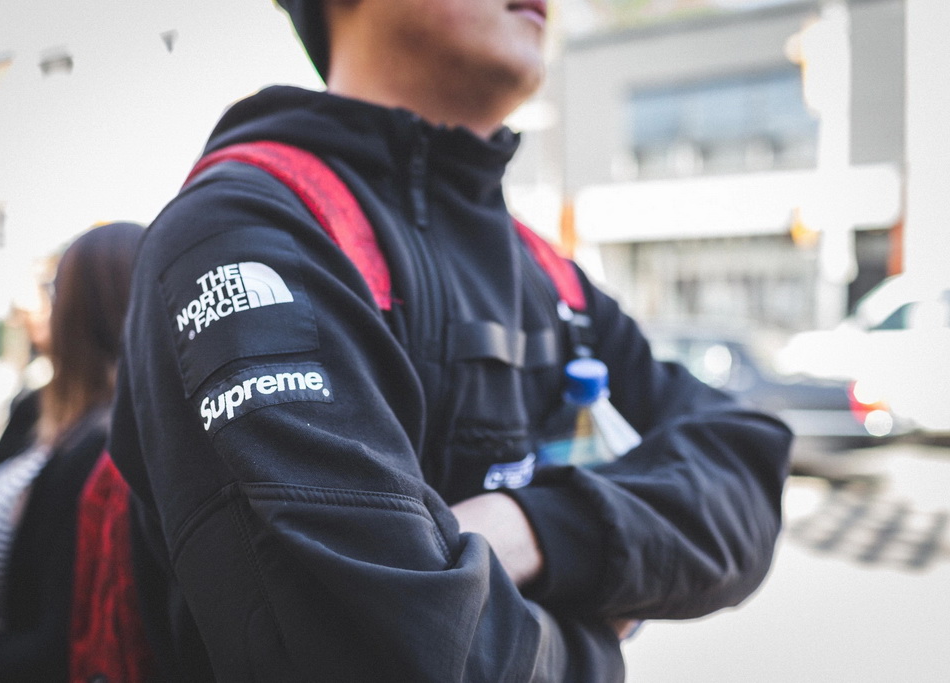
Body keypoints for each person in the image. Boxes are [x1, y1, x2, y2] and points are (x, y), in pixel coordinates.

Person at [109, 1, 792, 681]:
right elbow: (388, 655)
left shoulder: (547, 276)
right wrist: (596, 637)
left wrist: (535, 527)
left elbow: (746, 467)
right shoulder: (244, 234)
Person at [0, 221, 145, 682]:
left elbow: (60, 649)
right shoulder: (39, 412)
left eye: (53, 289)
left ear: (83, 311)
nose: (38, 305)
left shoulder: (106, 456)